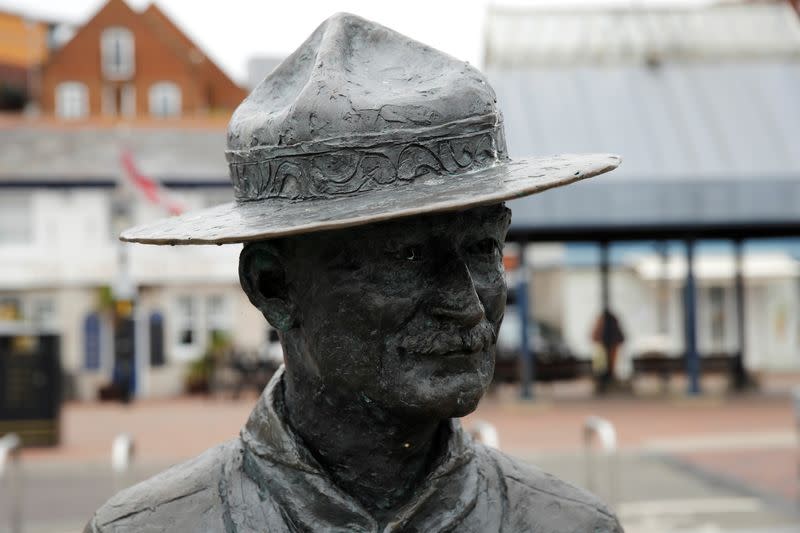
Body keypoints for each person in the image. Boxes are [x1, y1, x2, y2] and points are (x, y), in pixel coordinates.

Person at [86, 13, 622, 532]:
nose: (467, 303)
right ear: (273, 286)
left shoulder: (571, 526)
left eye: (483, 248)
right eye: (407, 257)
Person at [592, 309, 626, 392]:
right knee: (603, 366)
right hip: (603, 363)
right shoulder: (606, 335)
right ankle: (606, 381)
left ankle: (606, 381)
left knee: (605, 366)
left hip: (604, 363)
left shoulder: (611, 339)